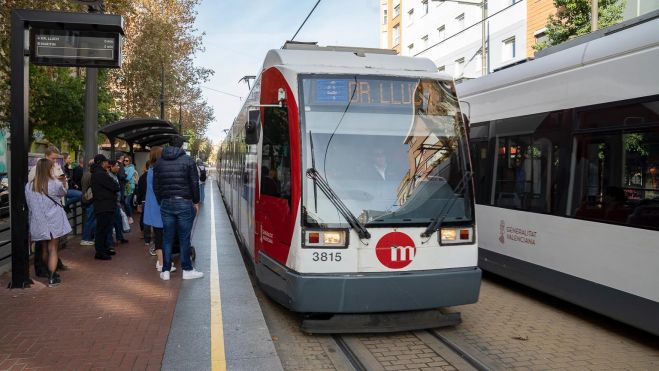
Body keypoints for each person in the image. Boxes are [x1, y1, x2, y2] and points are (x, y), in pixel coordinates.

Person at [153, 135, 202, 281]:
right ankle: (187, 270)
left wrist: (160, 200)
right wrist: (196, 201)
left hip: (166, 203)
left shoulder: (159, 162)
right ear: (181, 146)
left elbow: (156, 186)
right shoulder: (188, 161)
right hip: (184, 202)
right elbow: (194, 182)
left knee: (167, 238)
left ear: (169, 144)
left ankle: (166, 271)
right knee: (184, 237)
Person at [25, 158, 71, 286]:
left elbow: (29, 205)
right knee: (53, 249)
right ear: (48, 169)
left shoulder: (29, 186)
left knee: (44, 249)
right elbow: (63, 193)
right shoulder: (54, 183)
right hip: (53, 220)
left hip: (38, 221)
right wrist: (63, 182)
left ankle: (50, 272)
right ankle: (51, 277)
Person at [144, 147, 178, 273]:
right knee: (161, 236)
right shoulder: (157, 171)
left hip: (153, 207)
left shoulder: (151, 170)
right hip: (159, 207)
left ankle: (162, 261)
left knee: (159, 235)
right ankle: (162, 263)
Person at [91, 154, 120, 260]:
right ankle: (100, 252)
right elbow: (115, 186)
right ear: (102, 163)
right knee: (102, 229)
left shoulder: (97, 173)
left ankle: (104, 248)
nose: (107, 164)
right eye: (106, 162)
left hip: (103, 205)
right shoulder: (101, 174)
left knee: (104, 228)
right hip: (104, 205)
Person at [108, 160, 128, 246]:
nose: (119, 167)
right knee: (113, 221)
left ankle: (119, 237)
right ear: (111, 167)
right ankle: (112, 240)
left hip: (117, 202)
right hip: (113, 202)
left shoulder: (115, 175)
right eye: (117, 165)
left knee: (118, 220)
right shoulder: (109, 176)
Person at [80, 159, 96, 246]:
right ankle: (86, 238)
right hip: (90, 199)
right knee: (90, 220)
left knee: (90, 219)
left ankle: (87, 237)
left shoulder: (85, 174)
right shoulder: (91, 175)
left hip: (85, 199)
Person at [123, 156, 137, 224]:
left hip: (130, 187)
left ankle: (130, 217)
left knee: (126, 202)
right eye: (124, 160)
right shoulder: (123, 168)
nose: (125, 161)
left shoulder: (131, 168)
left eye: (127, 160)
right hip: (124, 187)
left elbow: (128, 177)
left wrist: (123, 176)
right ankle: (128, 216)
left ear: (130, 161)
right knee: (125, 203)